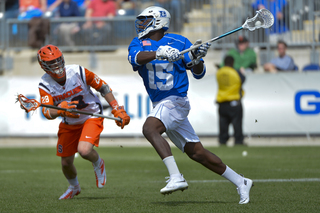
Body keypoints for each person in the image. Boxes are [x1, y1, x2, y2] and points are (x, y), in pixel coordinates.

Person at [127, 6, 253, 204]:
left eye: (146, 20)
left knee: (149, 128)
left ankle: (176, 176)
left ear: (158, 22)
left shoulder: (179, 41)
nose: (141, 24)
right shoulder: (138, 43)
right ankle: (241, 181)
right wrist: (158, 52)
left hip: (176, 100)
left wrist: (196, 58)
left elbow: (198, 73)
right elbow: (135, 59)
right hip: (160, 103)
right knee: (198, 153)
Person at [37, 44, 130, 199]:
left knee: (84, 150)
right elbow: (47, 111)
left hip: (91, 115)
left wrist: (116, 108)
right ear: (44, 66)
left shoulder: (78, 71)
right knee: (66, 163)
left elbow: (103, 87)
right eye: (52, 63)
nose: (57, 65)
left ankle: (98, 162)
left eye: (58, 60)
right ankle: (74, 187)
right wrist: (60, 109)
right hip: (69, 122)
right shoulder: (45, 84)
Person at [216, 55, 245, 146]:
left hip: (222, 101)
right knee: (237, 123)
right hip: (234, 101)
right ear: (232, 63)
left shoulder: (219, 72)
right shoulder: (235, 72)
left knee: (223, 123)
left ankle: (222, 140)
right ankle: (238, 140)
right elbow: (243, 79)